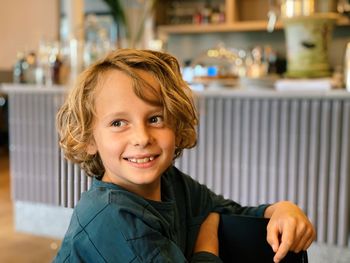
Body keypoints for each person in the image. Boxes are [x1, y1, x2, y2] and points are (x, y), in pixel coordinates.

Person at [53, 49, 315, 263]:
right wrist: (207, 245)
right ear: (88, 139)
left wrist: (279, 210)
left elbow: (225, 212)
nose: (142, 137)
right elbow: (212, 222)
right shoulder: (114, 220)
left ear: (176, 127)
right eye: (118, 123)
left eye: (155, 118)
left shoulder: (171, 183)